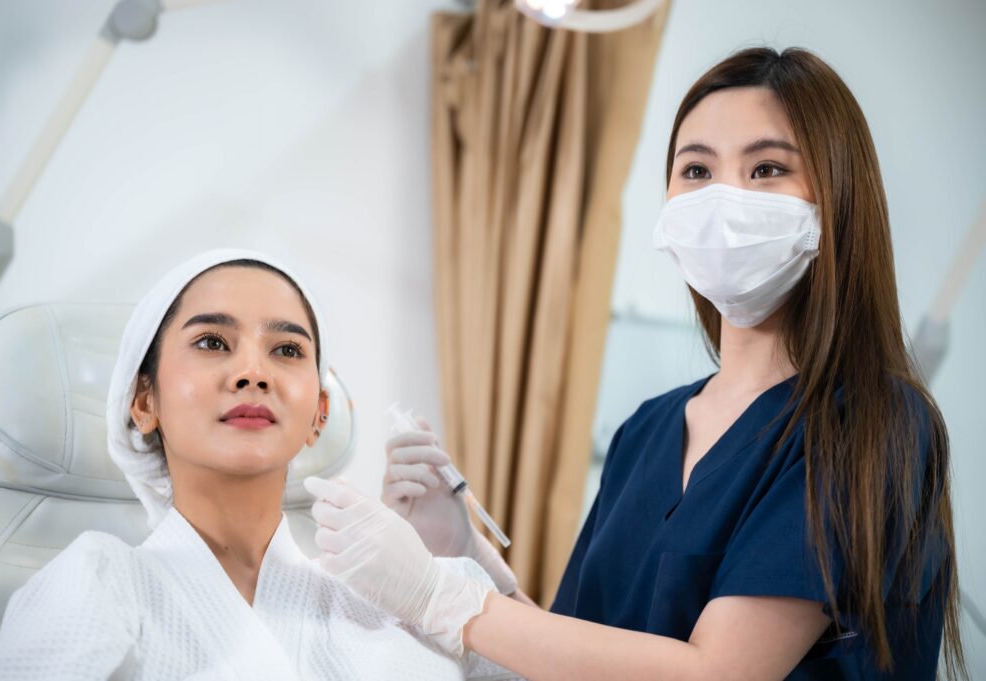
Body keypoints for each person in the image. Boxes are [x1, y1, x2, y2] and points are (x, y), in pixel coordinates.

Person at [303, 48, 967, 680]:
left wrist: (438, 597)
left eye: (766, 168)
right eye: (696, 170)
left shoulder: (875, 422)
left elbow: (718, 671)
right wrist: (467, 553)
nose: (723, 200)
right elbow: (577, 655)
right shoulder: (646, 430)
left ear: (837, 198)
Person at [0, 249, 518, 680]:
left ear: (318, 414)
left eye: (286, 350)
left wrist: (469, 560)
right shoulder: (96, 582)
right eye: (213, 342)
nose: (252, 372)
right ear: (143, 401)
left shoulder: (415, 595)